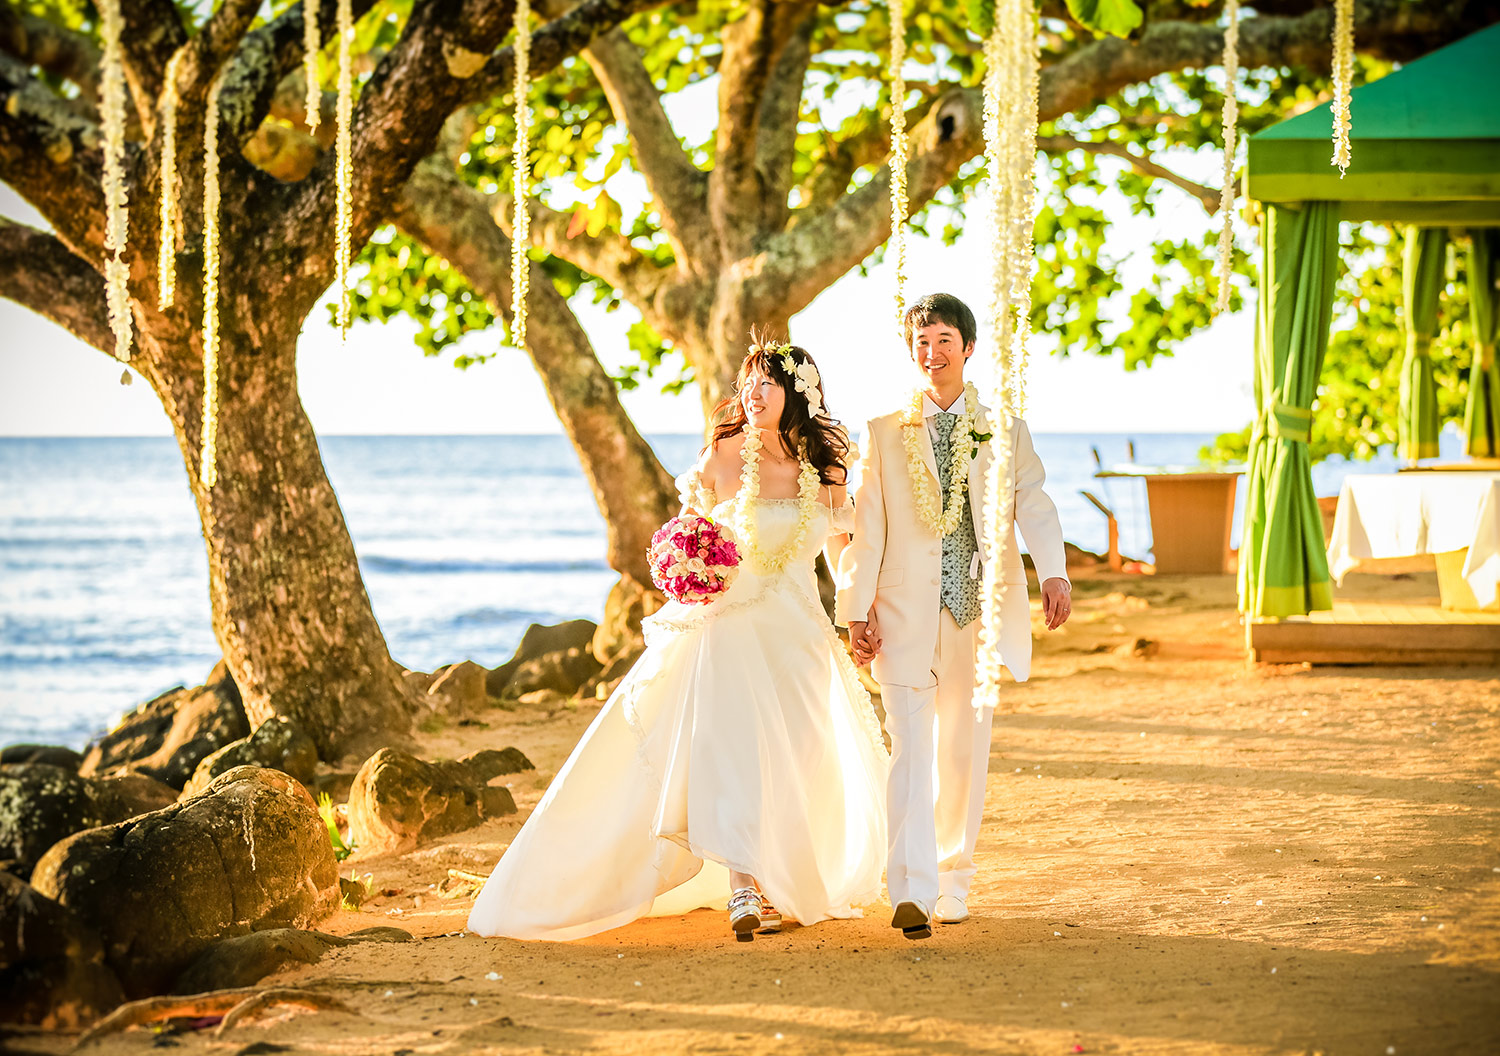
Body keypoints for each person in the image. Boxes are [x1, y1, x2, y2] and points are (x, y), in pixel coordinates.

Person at [466, 337, 888, 943]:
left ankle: (778, 878)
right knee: (732, 747)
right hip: (729, 627)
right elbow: (690, 533)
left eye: (769, 383)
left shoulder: (825, 468)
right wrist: (688, 568)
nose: (755, 394)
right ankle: (746, 886)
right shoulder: (721, 454)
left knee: (800, 753)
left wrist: (858, 615)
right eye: (750, 383)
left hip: (797, 634)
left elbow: (841, 549)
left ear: (796, 393)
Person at [837, 292, 1071, 940]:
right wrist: (856, 610)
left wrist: (1052, 571)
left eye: (943, 339)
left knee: (962, 753)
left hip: (976, 613)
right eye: (921, 341)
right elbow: (868, 529)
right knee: (908, 752)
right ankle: (910, 890)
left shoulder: (1005, 430)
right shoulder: (885, 432)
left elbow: (1036, 505)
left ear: (967, 348)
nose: (931, 352)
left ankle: (954, 878)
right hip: (902, 613)